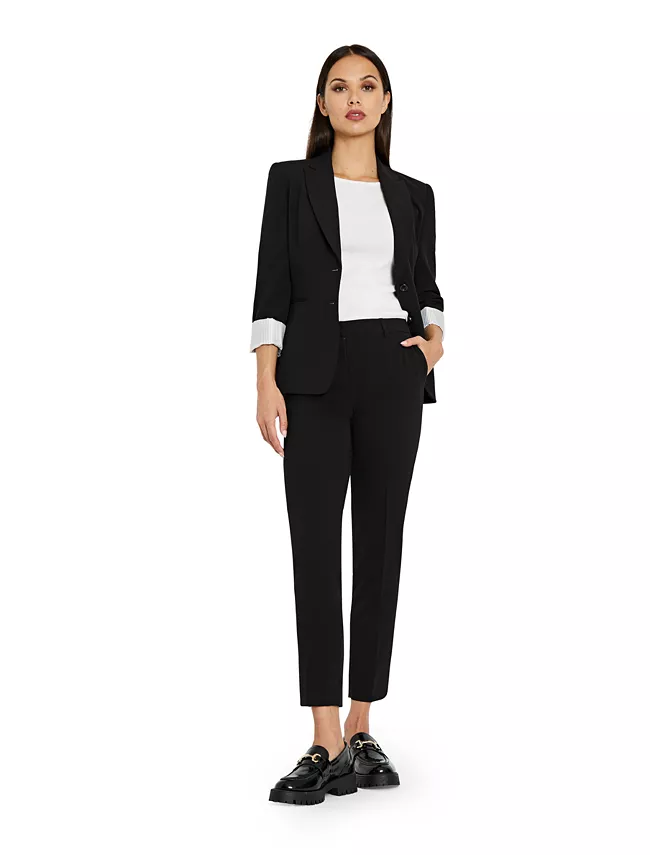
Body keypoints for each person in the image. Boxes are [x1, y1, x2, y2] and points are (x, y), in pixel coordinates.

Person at [250, 44, 445, 806]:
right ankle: (324, 735)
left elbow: (424, 282)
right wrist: (264, 378)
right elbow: (271, 283)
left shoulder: (415, 194)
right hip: (311, 378)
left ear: (386, 101)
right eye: (339, 86)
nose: (354, 96)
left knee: (380, 543)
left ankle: (363, 724)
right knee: (315, 548)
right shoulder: (291, 183)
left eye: (368, 85)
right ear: (322, 103)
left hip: (392, 370)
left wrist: (434, 339)